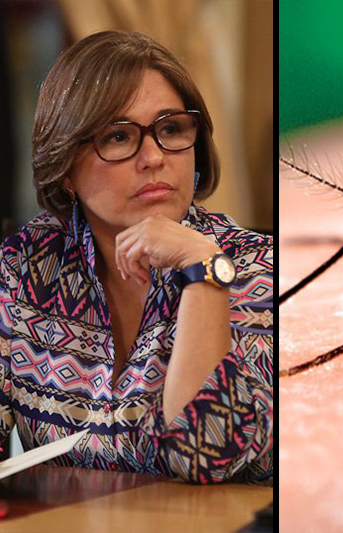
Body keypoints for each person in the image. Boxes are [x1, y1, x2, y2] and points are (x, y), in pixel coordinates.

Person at [0, 30, 272, 484]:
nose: (153, 157)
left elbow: (206, 456)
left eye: (170, 129)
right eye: (119, 136)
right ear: (65, 168)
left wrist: (205, 271)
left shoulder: (252, 268)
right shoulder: (24, 270)